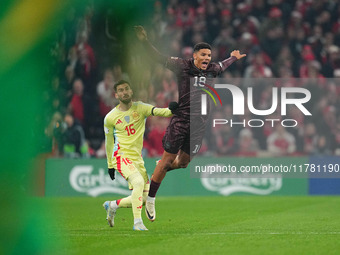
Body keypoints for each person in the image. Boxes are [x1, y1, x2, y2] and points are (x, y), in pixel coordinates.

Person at [134, 25, 246, 221]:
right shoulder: (182, 66)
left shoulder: (213, 69)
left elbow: (224, 64)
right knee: (169, 159)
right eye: (203, 54)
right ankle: (150, 198)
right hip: (180, 121)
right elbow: (158, 58)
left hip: (199, 126)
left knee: (183, 163)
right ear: (195, 55)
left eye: (209, 55)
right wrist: (144, 42)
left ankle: (162, 166)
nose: (207, 58)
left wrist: (234, 57)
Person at [102, 80, 177, 231]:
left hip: (137, 159)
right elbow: (109, 142)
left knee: (142, 199)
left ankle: (112, 205)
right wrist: (110, 165)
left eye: (127, 89)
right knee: (137, 182)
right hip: (121, 156)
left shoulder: (141, 108)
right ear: (116, 95)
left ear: (131, 91)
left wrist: (172, 109)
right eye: (121, 90)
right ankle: (137, 223)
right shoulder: (110, 117)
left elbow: (161, 112)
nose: (124, 92)